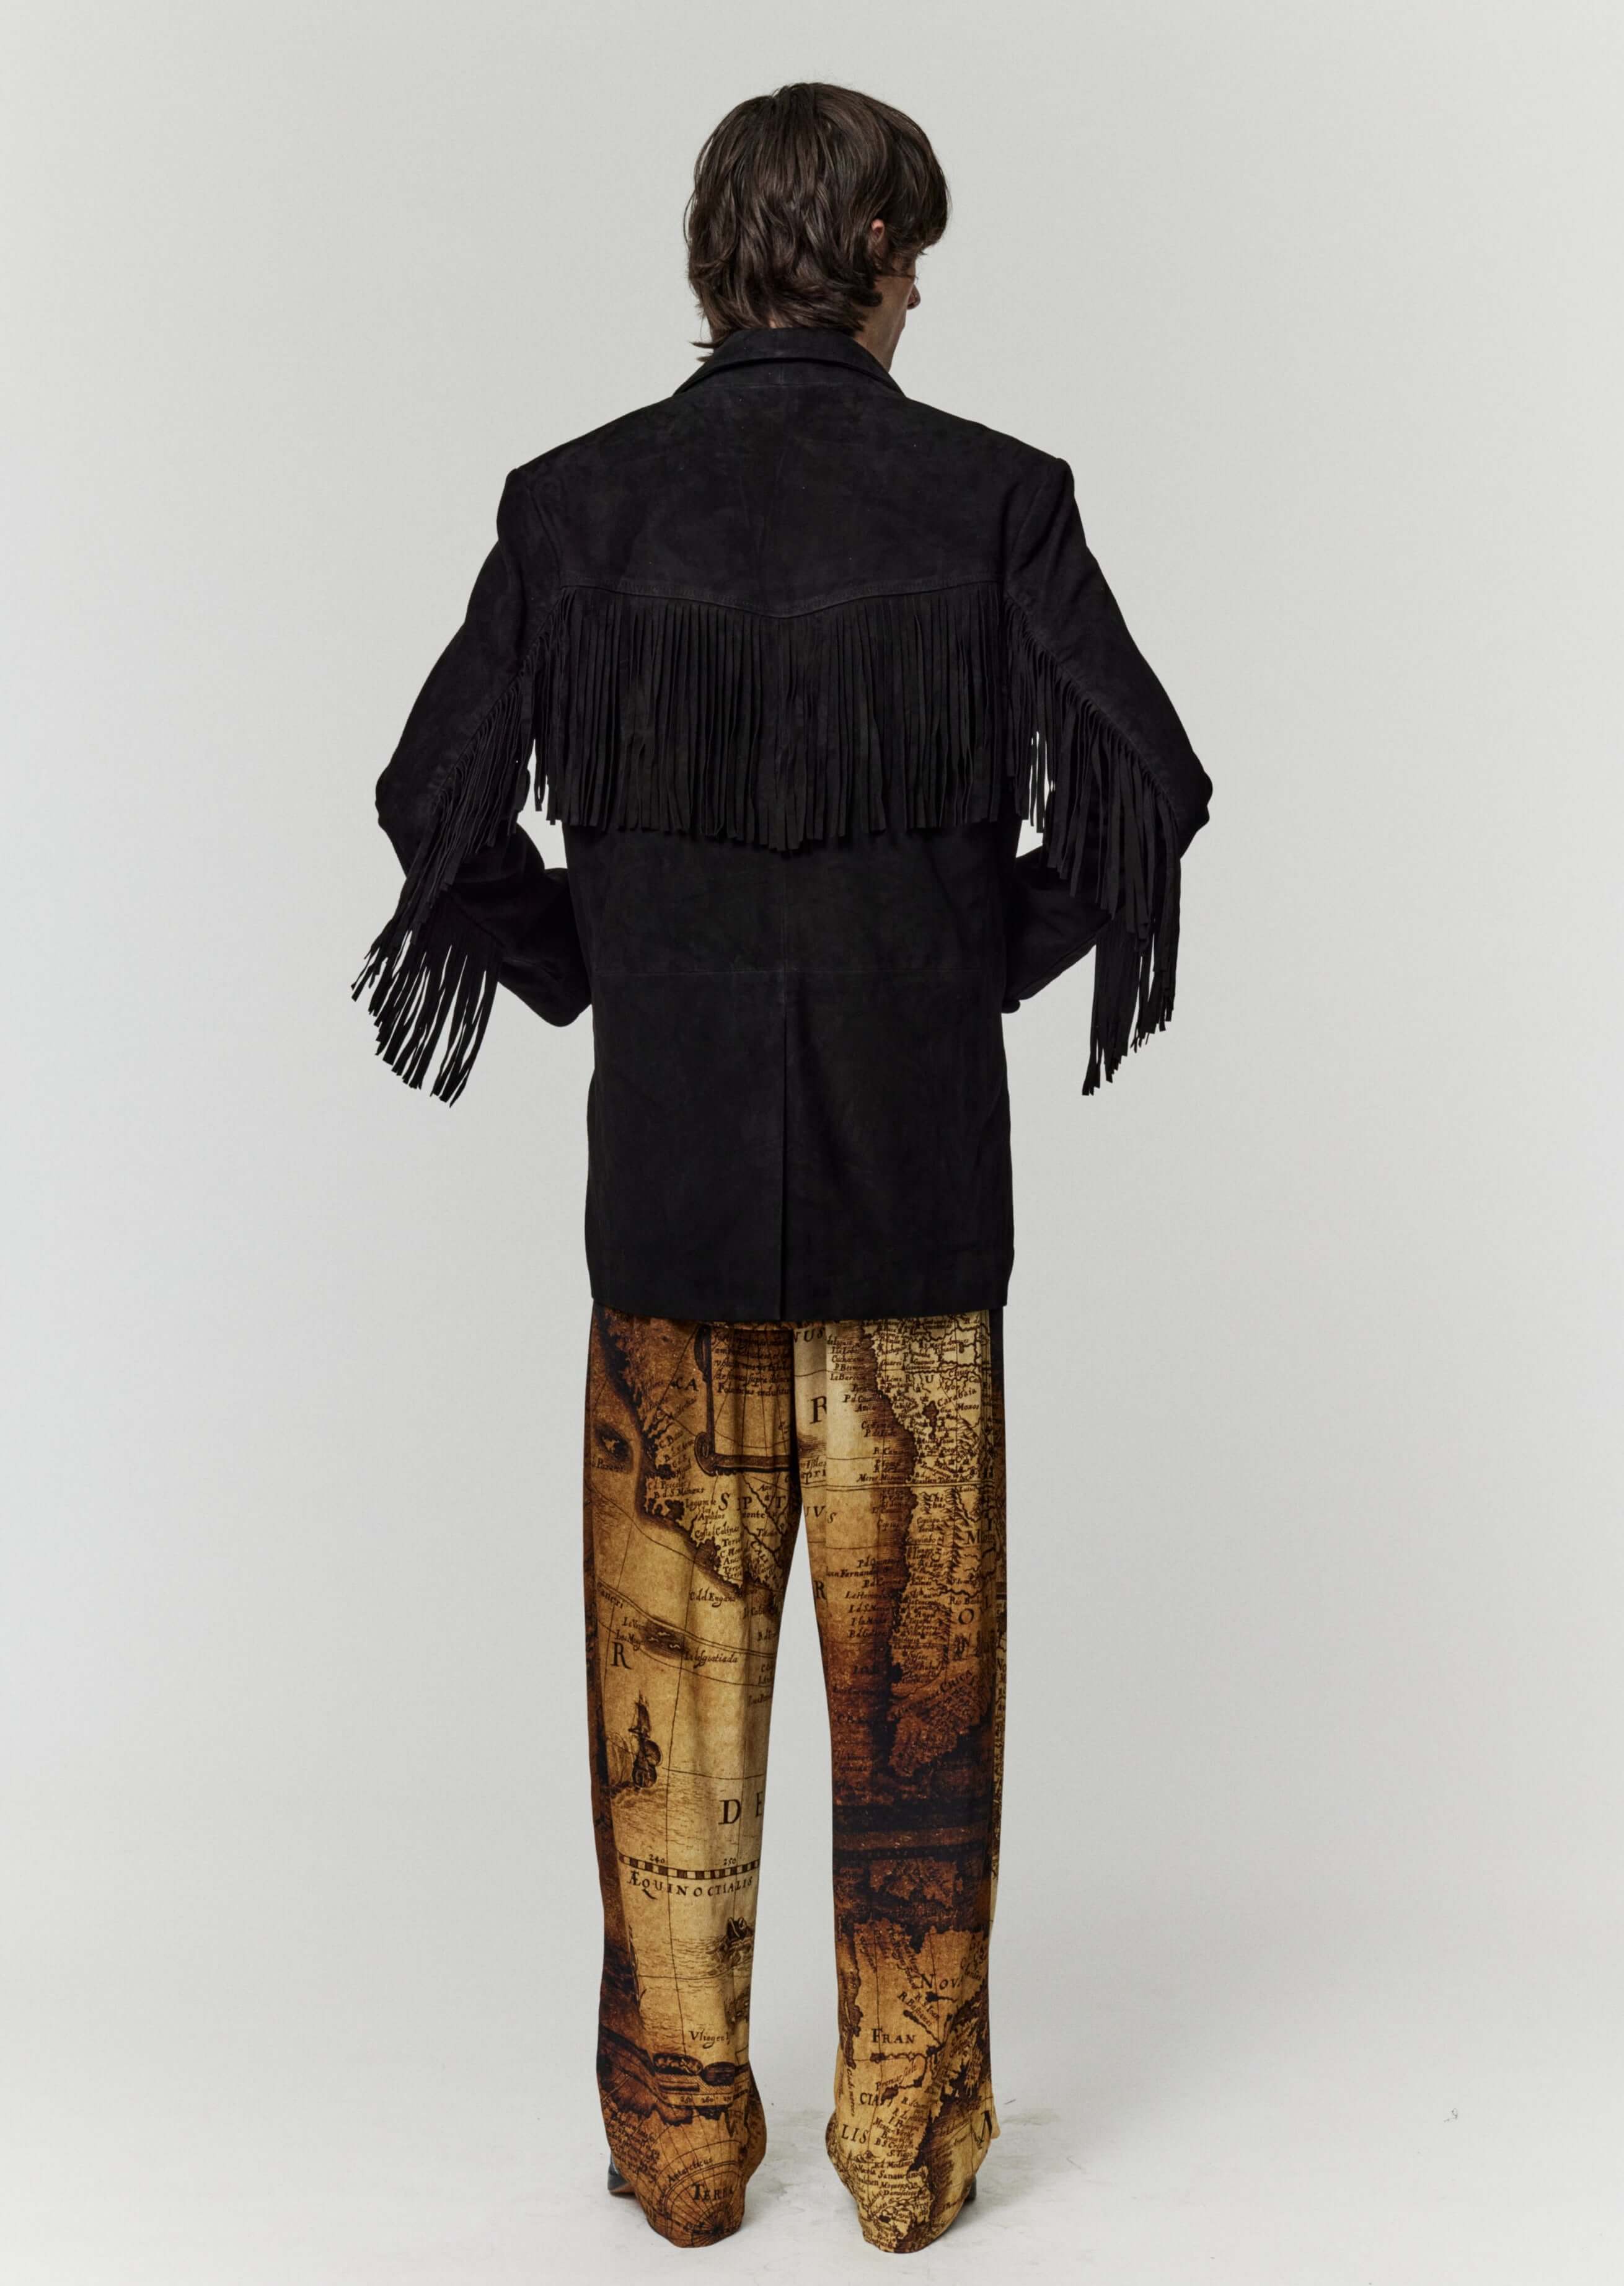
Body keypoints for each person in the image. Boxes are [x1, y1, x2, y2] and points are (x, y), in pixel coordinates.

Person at [352, 81, 1212, 2254]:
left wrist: (597, 968)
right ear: (880, 261)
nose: (923, 293)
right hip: (918, 1233)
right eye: (918, 257)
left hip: (664, 1230)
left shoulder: (576, 510)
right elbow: (1153, 788)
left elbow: (429, 808)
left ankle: (677, 2150)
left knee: (670, 1725)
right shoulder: (994, 502)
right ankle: (908, 2156)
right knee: (919, 1735)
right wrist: (957, 962)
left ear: (712, 261)